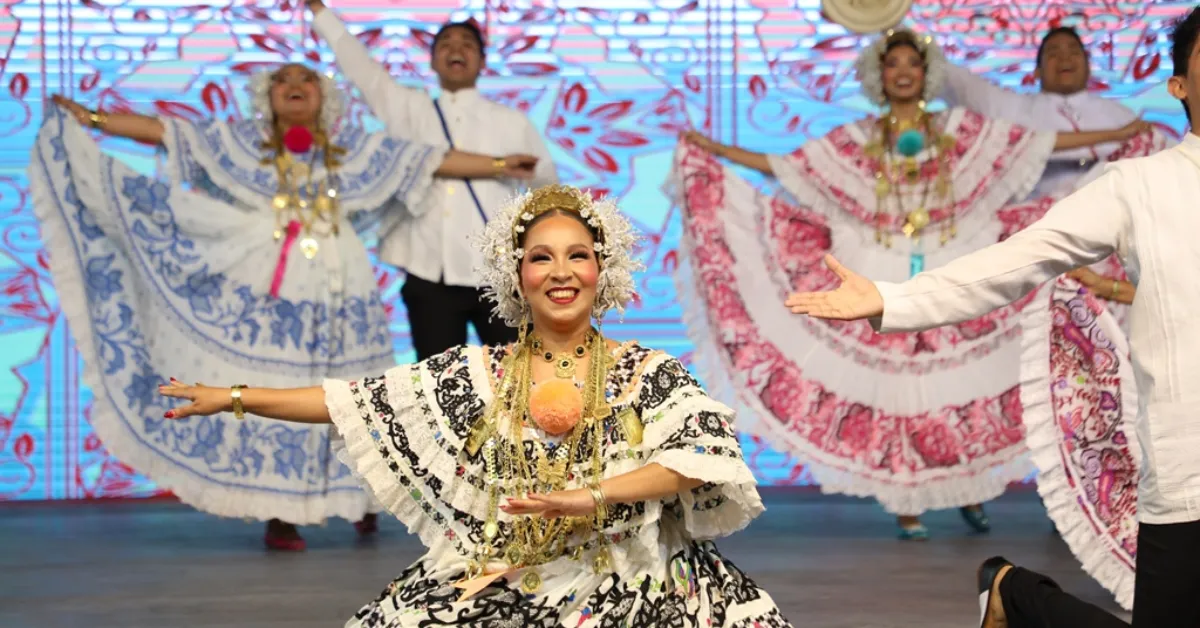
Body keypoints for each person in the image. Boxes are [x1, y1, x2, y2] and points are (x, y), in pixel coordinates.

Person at [155, 184, 792, 628]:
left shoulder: (646, 371)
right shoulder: (478, 375)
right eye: (541, 257)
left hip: (633, 577)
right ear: (518, 278)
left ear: (603, 271)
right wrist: (233, 397)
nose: (560, 271)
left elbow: (696, 458)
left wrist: (590, 497)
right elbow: (349, 401)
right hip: (511, 573)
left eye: (578, 256)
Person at [784, 8, 1200, 625]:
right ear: (1180, 85)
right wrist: (893, 300)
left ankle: (1015, 594)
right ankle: (1023, 597)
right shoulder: (1139, 186)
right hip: (1191, 475)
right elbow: (1014, 261)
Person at [35, 63, 538, 551]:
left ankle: (363, 501)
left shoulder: (355, 152)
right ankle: (282, 513)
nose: (294, 86)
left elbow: (428, 159)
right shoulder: (237, 145)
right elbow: (164, 132)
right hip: (271, 283)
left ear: (325, 98)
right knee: (274, 392)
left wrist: (499, 166)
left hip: (342, 286)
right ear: (267, 96)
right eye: (282, 80)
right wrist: (93, 120)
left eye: (307, 80)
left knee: (353, 387)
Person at [674, 28, 1146, 540]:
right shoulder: (857, 139)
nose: (903, 72)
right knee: (900, 393)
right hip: (879, 264)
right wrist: (714, 150)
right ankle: (907, 503)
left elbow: (1041, 145)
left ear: (927, 74)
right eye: (893, 63)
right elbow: (786, 167)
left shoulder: (960, 128)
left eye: (912, 64)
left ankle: (968, 492)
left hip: (953, 255)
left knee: (964, 387)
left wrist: (1117, 138)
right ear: (880, 75)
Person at [309, 0, 559, 360]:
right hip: (427, 274)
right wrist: (319, 11)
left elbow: (547, 190)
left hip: (499, 277)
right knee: (438, 392)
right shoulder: (410, 109)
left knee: (520, 382)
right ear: (431, 60)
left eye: (467, 45)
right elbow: (361, 68)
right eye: (446, 45)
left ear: (482, 61)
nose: (456, 50)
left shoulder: (511, 122)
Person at [940, 25, 1145, 198]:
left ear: (1088, 66)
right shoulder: (1013, 107)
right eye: (1054, 54)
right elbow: (956, 79)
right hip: (1041, 221)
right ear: (1037, 71)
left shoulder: (1119, 115)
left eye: (1074, 52)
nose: (1065, 58)